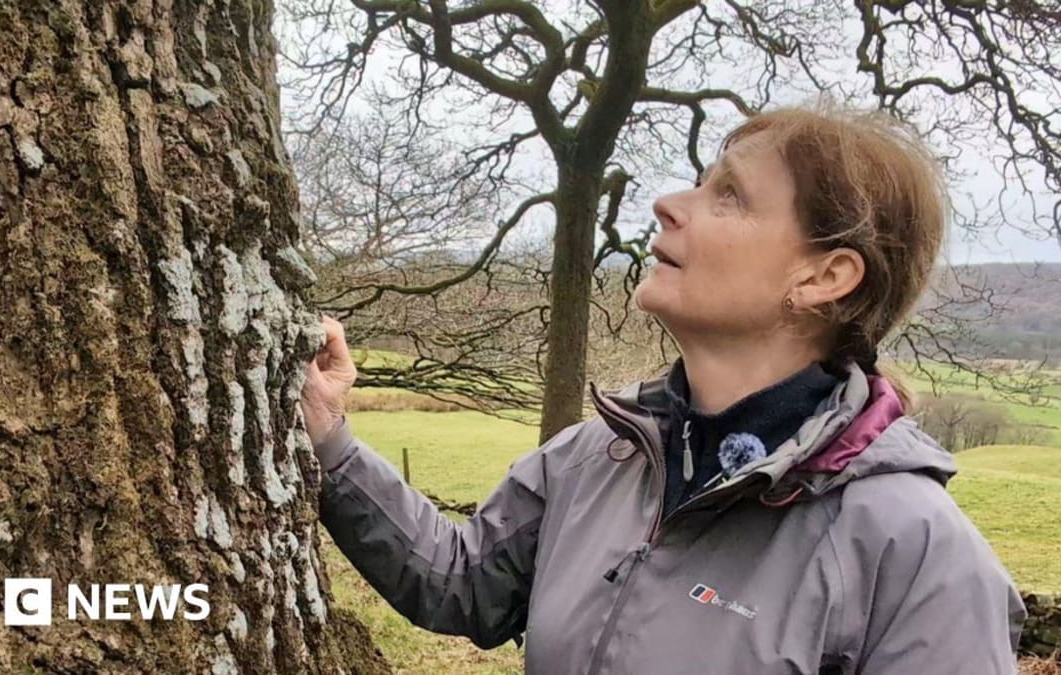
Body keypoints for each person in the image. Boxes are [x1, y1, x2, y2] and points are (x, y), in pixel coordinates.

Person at [300, 106, 1026, 674]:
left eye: (731, 196)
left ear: (823, 277)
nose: (670, 204)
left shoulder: (915, 553)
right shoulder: (596, 459)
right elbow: (460, 582)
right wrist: (331, 440)